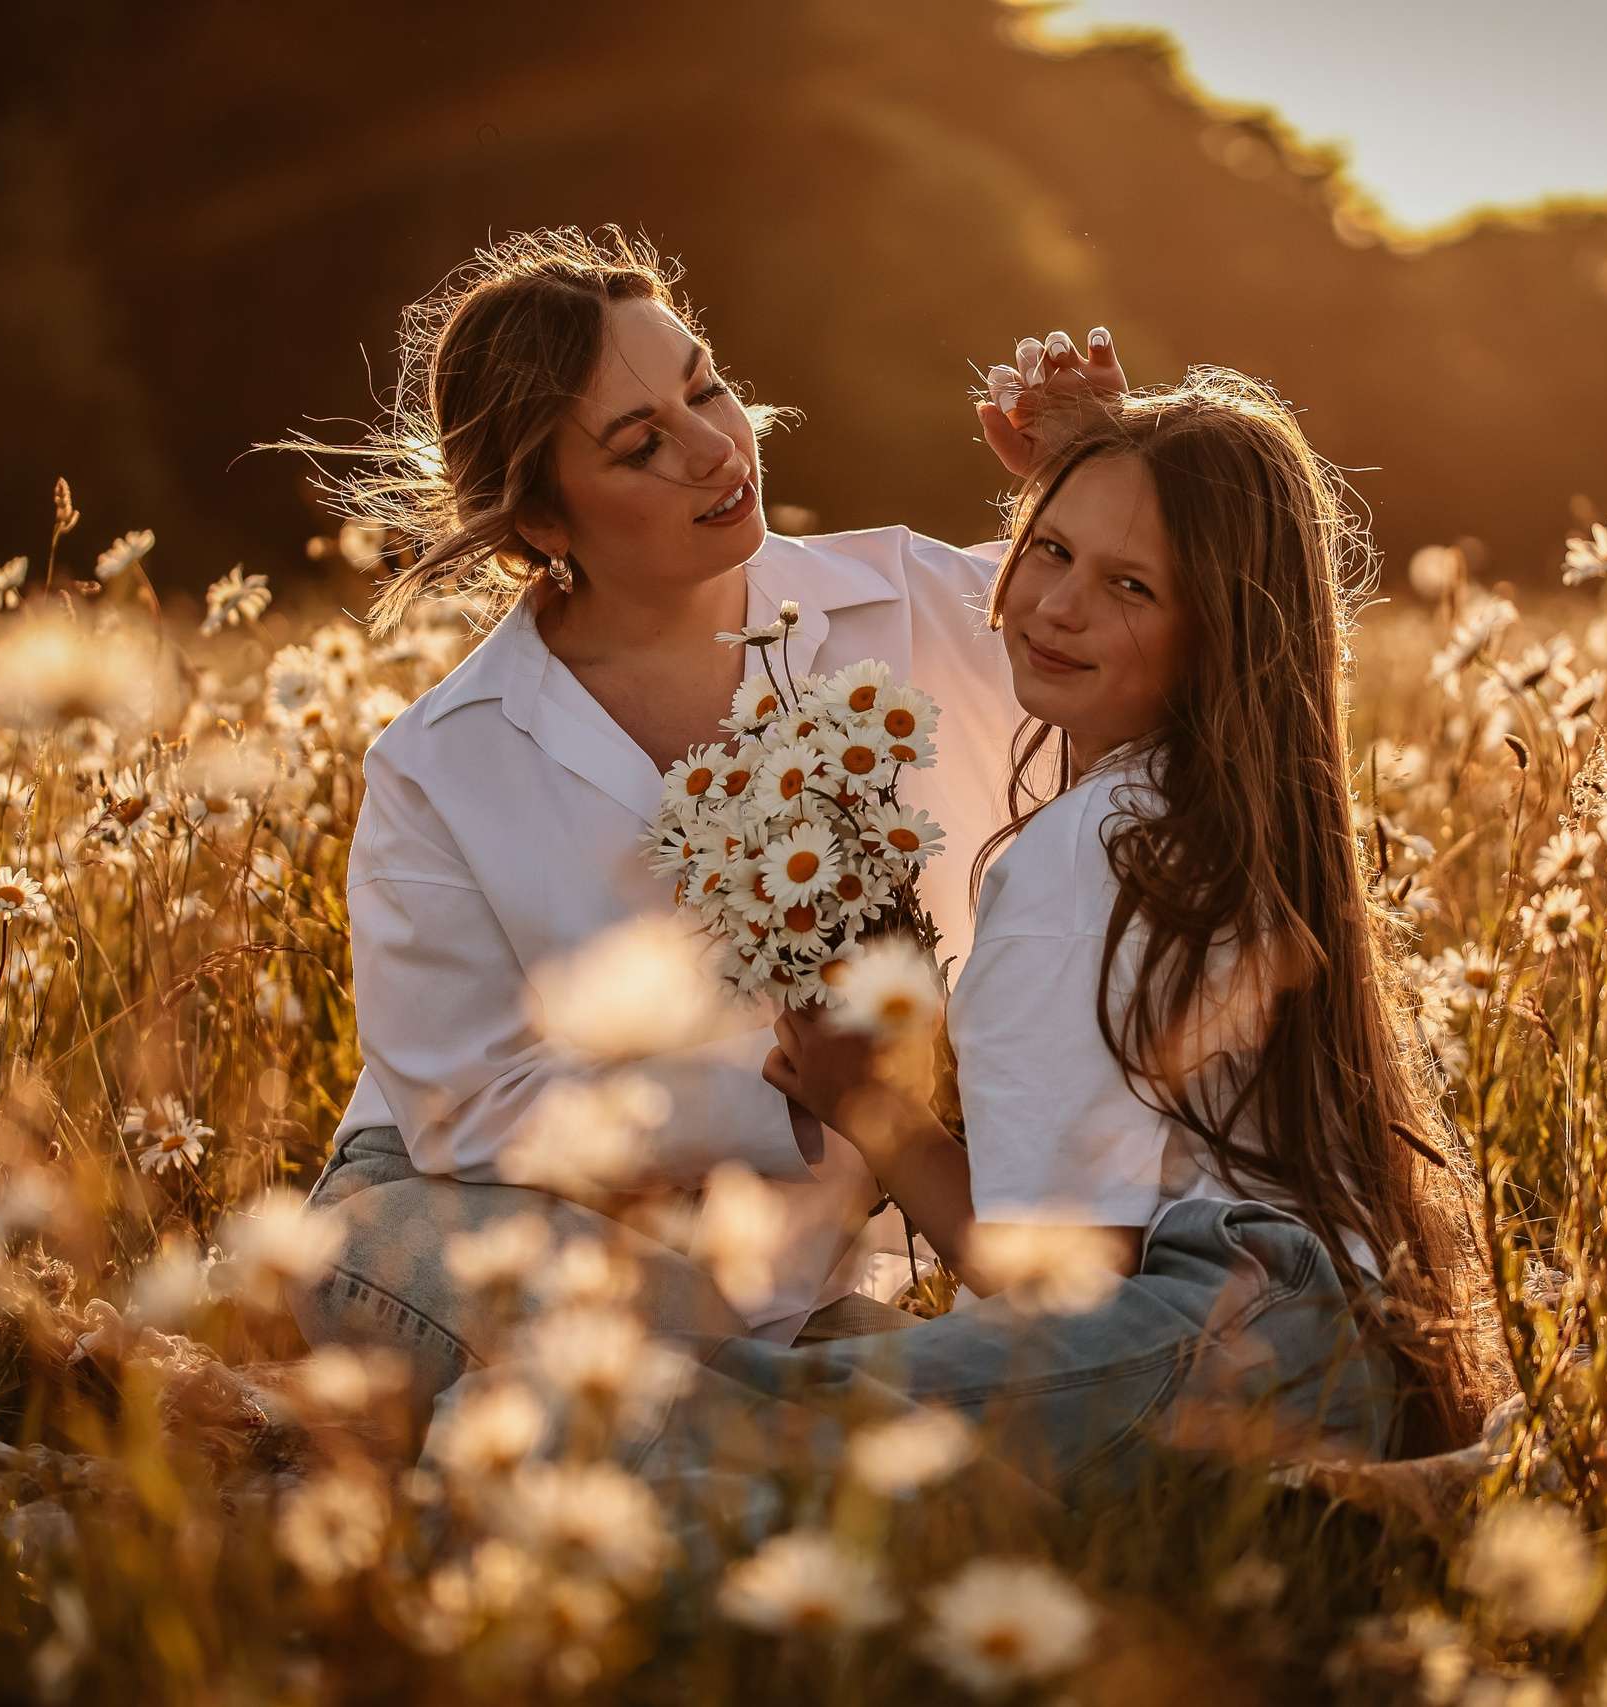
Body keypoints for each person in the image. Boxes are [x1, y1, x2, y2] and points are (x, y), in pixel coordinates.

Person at [618, 369, 1513, 1506]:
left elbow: (1044, 1275)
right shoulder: (1222, 816)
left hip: (1217, 1343)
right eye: (1047, 552)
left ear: (1218, 630)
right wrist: (1106, 458)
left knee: (680, 1423)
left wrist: (873, 1110)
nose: (1053, 606)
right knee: (793, 1400)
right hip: (1320, 1342)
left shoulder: (1091, 851)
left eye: (1128, 585)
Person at [290, 226, 1127, 1397]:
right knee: (750, 1377)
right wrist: (791, 1083)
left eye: (705, 387)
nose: (714, 448)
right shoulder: (441, 764)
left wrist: (1094, 467)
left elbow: (1152, 652)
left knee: (854, 1396)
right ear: (541, 523)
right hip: (462, 1217)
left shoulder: (912, 603)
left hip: (782, 1276)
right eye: (641, 445)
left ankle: (773, 1418)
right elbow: (471, 1106)